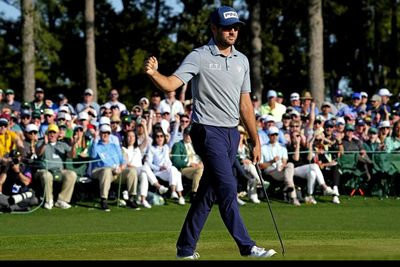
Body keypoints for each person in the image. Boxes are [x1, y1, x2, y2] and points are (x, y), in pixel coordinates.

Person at [144, 5, 277, 259]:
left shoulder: (242, 61)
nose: (232, 32)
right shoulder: (199, 56)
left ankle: (185, 248)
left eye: (236, 27)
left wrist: (256, 140)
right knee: (228, 186)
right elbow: (172, 83)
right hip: (206, 130)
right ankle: (247, 246)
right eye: (227, 27)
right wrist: (153, 74)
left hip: (231, 134)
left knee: (208, 193)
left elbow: (245, 104)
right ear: (214, 28)